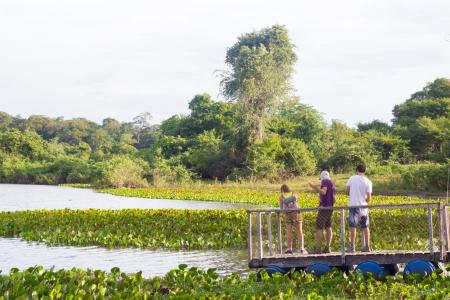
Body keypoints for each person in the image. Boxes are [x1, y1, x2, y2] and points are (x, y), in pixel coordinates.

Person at [346, 164, 372, 252]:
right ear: (364, 171)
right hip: (363, 207)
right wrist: (363, 199)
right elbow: (369, 198)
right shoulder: (368, 181)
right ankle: (367, 246)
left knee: (352, 226)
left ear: (356, 170)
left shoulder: (352, 178)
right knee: (365, 226)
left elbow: (347, 192)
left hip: (353, 205)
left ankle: (352, 247)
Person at [309, 170, 336, 254]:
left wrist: (314, 187)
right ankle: (327, 247)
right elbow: (334, 199)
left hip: (324, 209)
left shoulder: (324, 181)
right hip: (330, 208)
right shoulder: (332, 184)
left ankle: (318, 249)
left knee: (319, 228)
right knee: (328, 227)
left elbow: (323, 191)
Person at [279, 184, 307, 254]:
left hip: (287, 215)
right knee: (299, 232)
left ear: (282, 190)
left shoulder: (281, 197)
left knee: (289, 232)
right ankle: (302, 248)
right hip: (296, 214)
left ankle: (289, 249)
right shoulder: (294, 194)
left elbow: (281, 208)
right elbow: (297, 202)